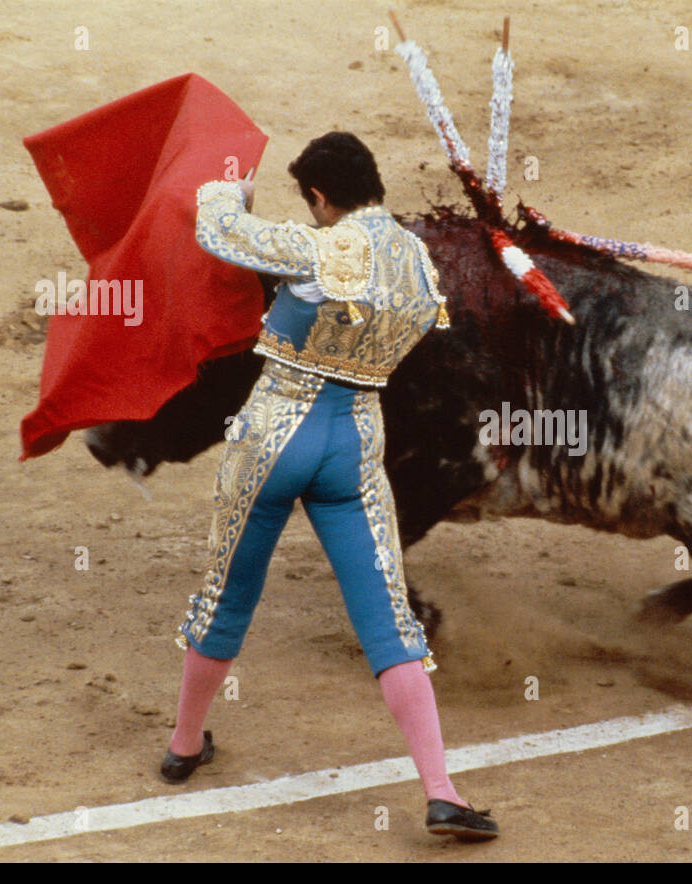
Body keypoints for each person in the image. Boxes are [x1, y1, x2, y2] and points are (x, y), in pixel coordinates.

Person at [160, 131, 497, 841]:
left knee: (228, 594)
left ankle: (185, 744)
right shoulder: (418, 260)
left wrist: (233, 189)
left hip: (273, 437)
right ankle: (441, 789)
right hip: (354, 444)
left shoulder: (321, 245)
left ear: (320, 197)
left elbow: (216, 227)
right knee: (388, 622)